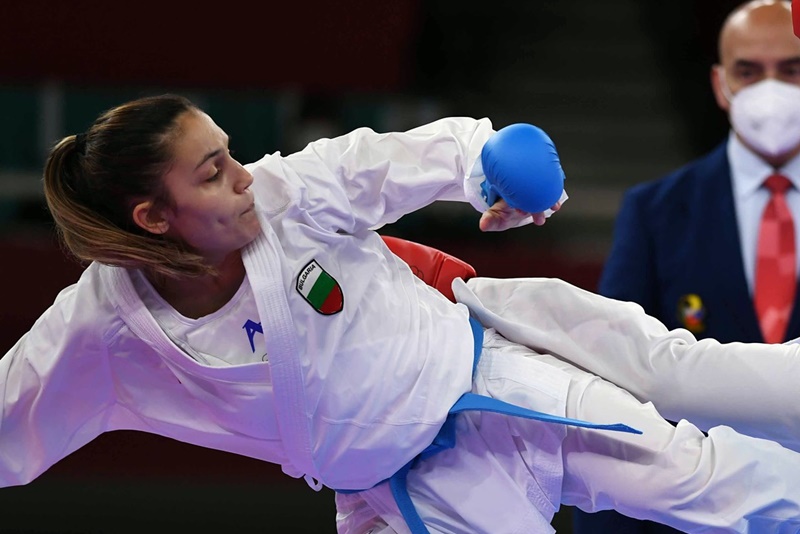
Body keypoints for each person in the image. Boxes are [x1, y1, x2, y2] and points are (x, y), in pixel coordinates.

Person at [3, 94, 800, 534]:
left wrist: (491, 164)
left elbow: (401, 158)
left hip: (497, 383)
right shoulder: (102, 331)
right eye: (213, 173)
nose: (244, 178)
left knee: (704, 484)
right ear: (152, 218)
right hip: (409, 495)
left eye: (231, 154)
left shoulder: (284, 195)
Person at [573, 1, 800, 531]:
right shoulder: (655, 212)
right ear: (721, 85)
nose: (771, 89)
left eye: (791, 70)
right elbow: (612, 381)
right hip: (694, 517)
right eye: (749, 71)